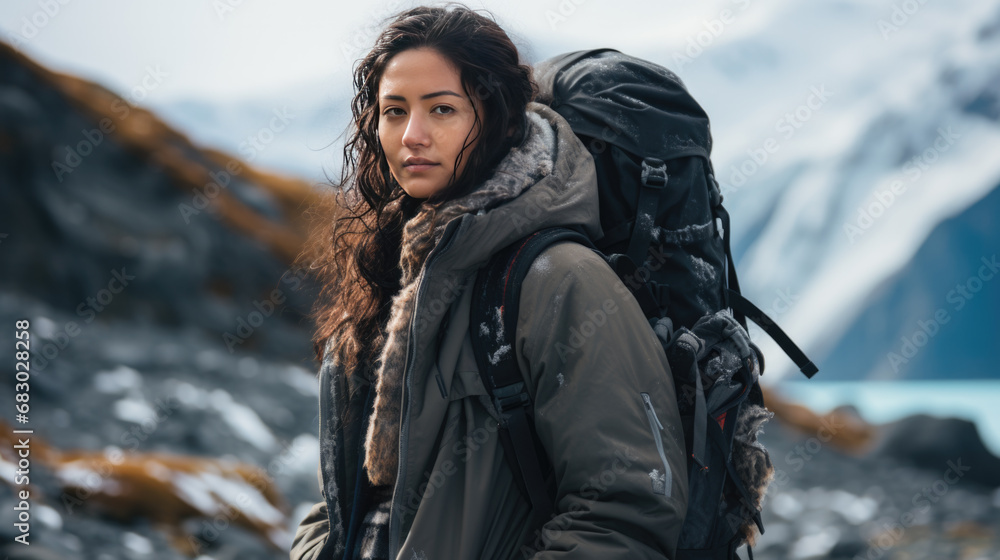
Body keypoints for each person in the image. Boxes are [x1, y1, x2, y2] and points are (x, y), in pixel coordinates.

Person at [291, 4, 688, 559]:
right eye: (394, 111)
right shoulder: (390, 273)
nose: (413, 135)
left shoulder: (560, 280)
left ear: (500, 118)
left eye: (443, 110)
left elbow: (625, 512)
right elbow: (342, 499)